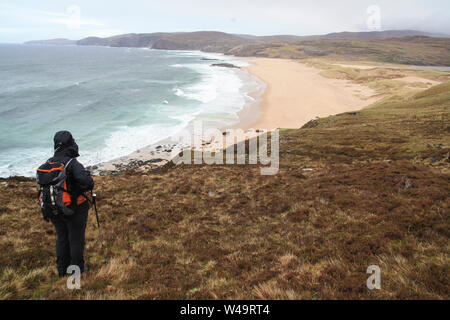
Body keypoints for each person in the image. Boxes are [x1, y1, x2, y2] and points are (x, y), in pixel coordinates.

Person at [47, 130, 94, 277]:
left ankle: (62, 271)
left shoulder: (49, 163)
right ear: (71, 144)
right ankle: (77, 271)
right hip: (74, 208)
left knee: (62, 237)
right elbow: (88, 183)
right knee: (76, 238)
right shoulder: (72, 163)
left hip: (54, 208)